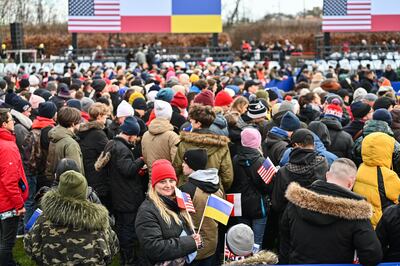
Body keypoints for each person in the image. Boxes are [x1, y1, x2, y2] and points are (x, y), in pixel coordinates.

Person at [280, 158, 382, 265]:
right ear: (350, 183)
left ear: (327, 175)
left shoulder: (296, 202)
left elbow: (284, 243)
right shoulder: (357, 213)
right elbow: (372, 255)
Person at [24, 170, 119, 265]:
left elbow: (29, 247)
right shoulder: (99, 223)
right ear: (84, 192)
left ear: (59, 190)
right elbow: (112, 250)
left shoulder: (42, 219)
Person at [95, 116, 145, 265]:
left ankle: (124, 255)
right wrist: (140, 160)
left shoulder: (113, 144)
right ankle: (128, 259)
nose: (136, 139)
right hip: (127, 197)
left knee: (122, 226)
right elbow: (128, 170)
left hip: (118, 194)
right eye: (135, 136)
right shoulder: (122, 149)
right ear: (130, 134)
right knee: (127, 230)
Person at [135, 159, 202, 265]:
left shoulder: (176, 201)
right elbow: (154, 248)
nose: (168, 185)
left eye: (171, 180)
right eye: (162, 181)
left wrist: (193, 238)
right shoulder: (147, 211)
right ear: (154, 184)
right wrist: (190, 243)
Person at [173, 104, 233, 191]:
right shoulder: (221, 145)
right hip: (213, 189)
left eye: (192, 121)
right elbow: (227, 176)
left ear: (198, 124)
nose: (190, 123)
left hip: (187, 190)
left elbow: (176, 168)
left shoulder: (184, 143)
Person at [228, 128, 271, 247]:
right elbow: (268, 186)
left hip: (240, 205)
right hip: (259, 206)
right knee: (257, 241)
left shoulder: (235, 159)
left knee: (242, 240)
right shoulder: (262, 161)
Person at [180, 148, 223, 265]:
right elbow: (219, 218)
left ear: (192, 165)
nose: (182, 165)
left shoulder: (186, 190)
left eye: (185, 162)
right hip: (212, 243)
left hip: (192, 246)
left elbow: (180, 219)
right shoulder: (218, 186)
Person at [272, 129, 328, 214]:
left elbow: (277, 204)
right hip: (316, 216)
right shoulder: (323, 163)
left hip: (291, 219)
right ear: (313, 144)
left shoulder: (284, 171)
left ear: (295, 145)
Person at [353, 132, 400, 227]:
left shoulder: (361, 167)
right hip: (380, 224)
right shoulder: (388, 175)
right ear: (386, 150)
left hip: (363, 221)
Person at [0, 108, 28, 266]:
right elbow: (10, 180)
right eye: (11, 120)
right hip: (8, 202)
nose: (14, 122)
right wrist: (19, 204)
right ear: (4, 124)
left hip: (3, 199)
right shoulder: (7, 147)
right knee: (7, 243)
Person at [78, 103, 110, 209]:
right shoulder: (98, 134)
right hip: (97, 177)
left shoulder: (84, 130)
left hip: (87, 173)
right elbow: (109, 150)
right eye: (105, 116)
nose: (106, 119)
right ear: (99, 116)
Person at [142, 100, 180, 175]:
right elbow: (176, 162)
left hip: (152, 179)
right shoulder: (172, 136)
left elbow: (145, 158)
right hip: (168, 180)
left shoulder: (145, 135)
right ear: (169, 114)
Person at [46, 107, 84, 180]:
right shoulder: (70, 143)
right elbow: (75, 174)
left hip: (56, 181)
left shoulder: (54, 135)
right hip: (68, 185)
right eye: (79, 121)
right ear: (73, 124)